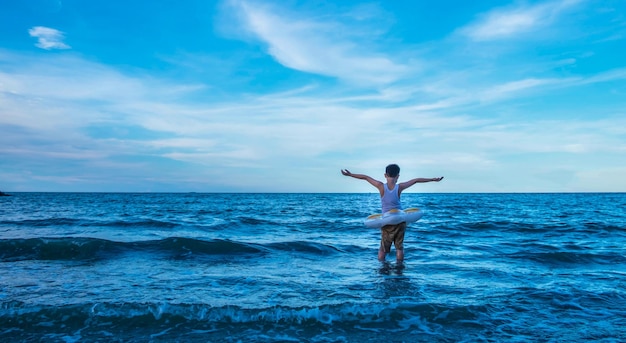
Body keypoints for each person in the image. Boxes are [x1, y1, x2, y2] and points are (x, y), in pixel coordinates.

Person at [341, 164, 443, 262]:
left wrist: (350, 174)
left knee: (383, 249)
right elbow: (416, 180)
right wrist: (432, 180)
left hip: (387, 222)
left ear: (385, 175)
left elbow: (365, 177)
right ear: (398, 176)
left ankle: (382, 267)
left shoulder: (381, 186)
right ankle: (400, 268)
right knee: (399, 248)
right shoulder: (400, 187)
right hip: (400, 220)